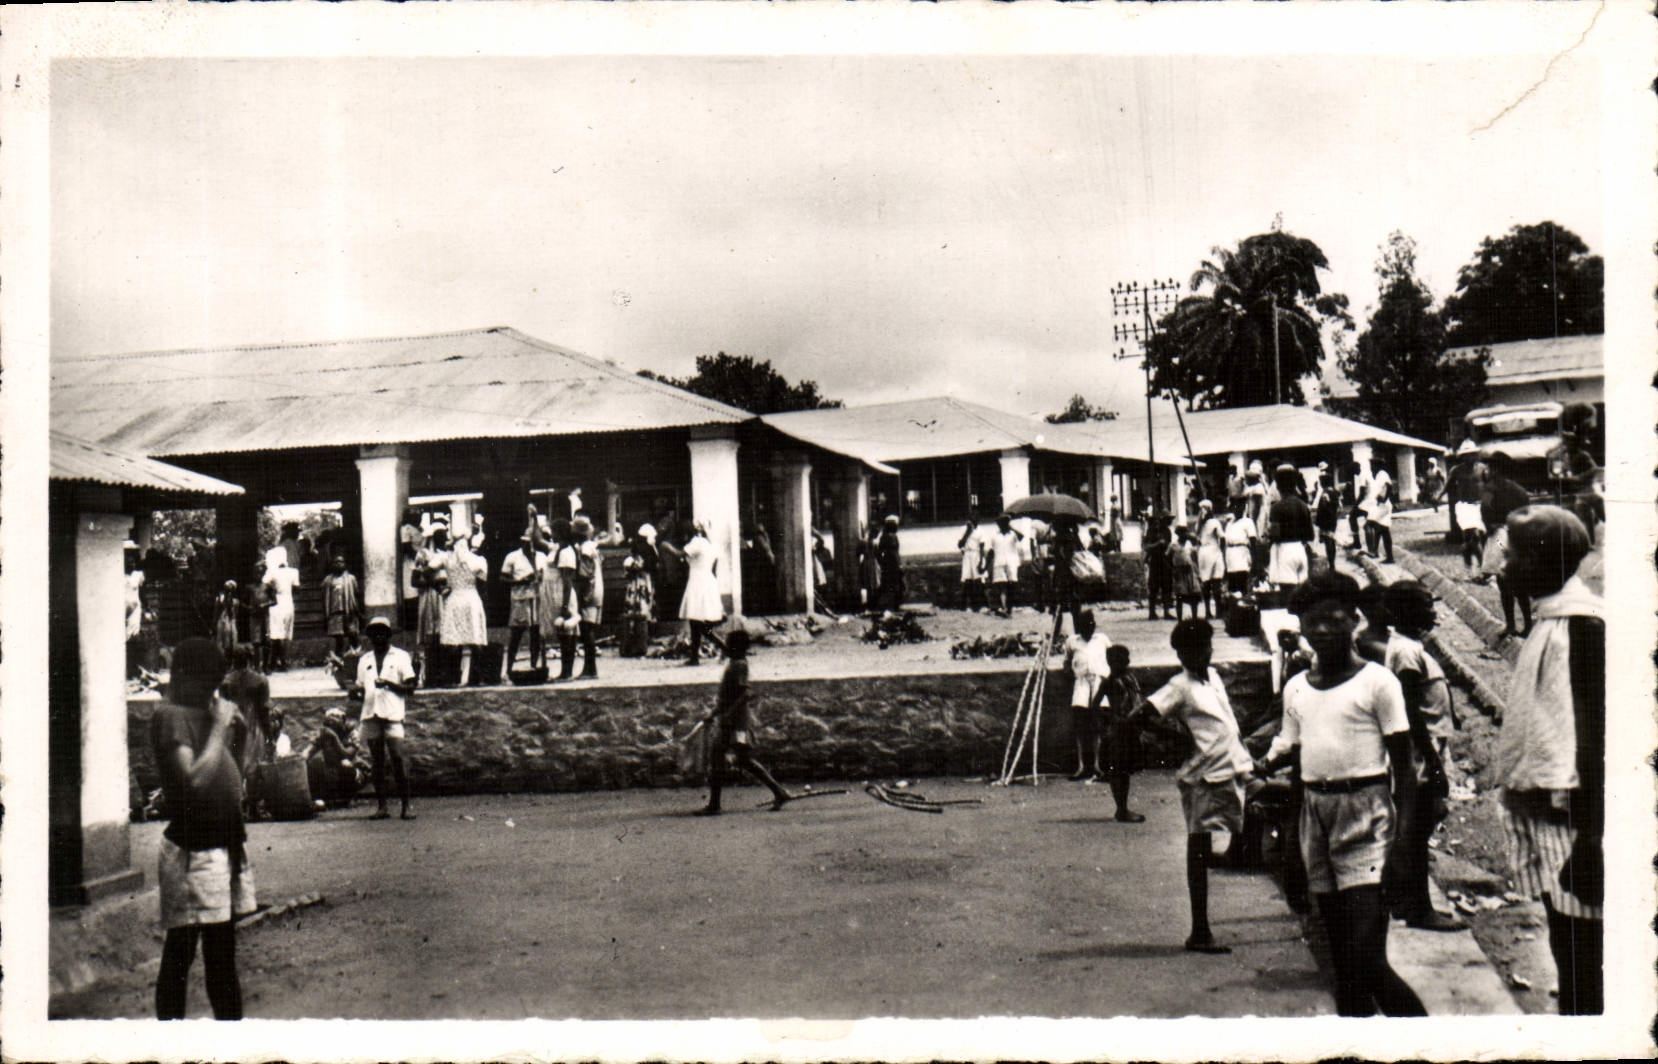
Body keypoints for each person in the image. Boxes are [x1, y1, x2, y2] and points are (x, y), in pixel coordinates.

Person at [1254, 571, 1427, 1017]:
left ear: (1354, 619)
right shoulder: (1296, 688)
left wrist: (1404, 848)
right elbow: (1295, 760)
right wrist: (1293, 843)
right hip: (1316, 816)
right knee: (1342, 970)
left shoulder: (1377, 682)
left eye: (1334, 620)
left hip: (1366, 815)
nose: (1323, 631)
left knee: (1370, 962)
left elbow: (1405, 772)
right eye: (1312, 623)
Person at [1492, 506, 1603, 1014]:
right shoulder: (1551, 616)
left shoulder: (1582, 629)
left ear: (1541, 561)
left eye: (1511, 556)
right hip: (1556, 816)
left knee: (1585, 954)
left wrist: (1593, 842)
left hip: (1580, 825)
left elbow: (1601, 744)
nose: (1501, 566)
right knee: (1567, 944)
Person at [1129, 619, 1252, 952]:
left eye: (1207, 647)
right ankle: (1200, 931)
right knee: (1198, 847)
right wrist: (1176, 739)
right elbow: (1138, 719)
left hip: (1233, 767)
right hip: (1203, 776)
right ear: (1181, 654)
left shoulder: (1212, 677)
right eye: (1194, 649)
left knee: (1252, 815)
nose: (1203, 653)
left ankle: (1236, 855)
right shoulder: (1179, 685)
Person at [150, 638, 254, 1020]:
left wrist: (235, 734)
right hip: (194, 851)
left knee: (222, 955)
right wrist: (219, 729)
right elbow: (194, 781)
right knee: (184, 952)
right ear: (182, 677)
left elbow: (230, 773)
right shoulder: (172, 716)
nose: (212, 690)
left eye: (217, 681)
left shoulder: (205, 714)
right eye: (206, 680)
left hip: (223, 844)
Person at [1378, 581, 1462, 931]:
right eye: (1426, 605)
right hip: (1421, 757)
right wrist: (1434, 762)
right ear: (1406, 612)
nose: (1432, 612)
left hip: (1428, 753)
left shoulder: (1409, 647)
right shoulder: (1407, 652)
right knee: (1415, 835)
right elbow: (1410, 711)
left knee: (1420, 827)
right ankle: (1418, 907)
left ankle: (1405, 898)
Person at [693, 629, 793, 815]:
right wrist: (714, 713)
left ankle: (715, 804)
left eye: (729, 644)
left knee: (722, 757)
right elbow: (727, 697)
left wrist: (727, 714)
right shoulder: (736, 662)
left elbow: (744, 693)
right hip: (732, 719)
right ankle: (778, 791)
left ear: (735, 647)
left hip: (735, 721)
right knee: (742, 759)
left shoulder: (739, 665)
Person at [350, 616, 418, 820]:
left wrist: (389, 684)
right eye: (374, 633)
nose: (378, 637)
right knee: (377, 761)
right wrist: (355, 693)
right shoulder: (365, 660)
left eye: (382, 633)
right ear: (369, 637)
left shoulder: (401, 656)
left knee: (397, 758)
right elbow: (361, 688)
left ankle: (406, 806)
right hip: (371, 714)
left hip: (393, 713)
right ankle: (382, 806)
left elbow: (411, 687)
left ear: (389, 635)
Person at [1089, 643, 1145, 822]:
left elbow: (1137, 702)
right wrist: (1105, 722)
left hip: (1131, 727)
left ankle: (1122, 808)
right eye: (1112, 661)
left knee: (1124, 769)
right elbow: (1094, 706)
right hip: (1119, 729)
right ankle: (1121, 809)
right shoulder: (1109, 682)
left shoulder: (1130, 678)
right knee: (1119, 769)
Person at [1480, 453, 1534, 636]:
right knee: (1520, 584)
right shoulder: (1519, 490)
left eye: (1491, 467)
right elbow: (1528, 513)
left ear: (1496, 469)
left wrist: (1489, 526)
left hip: (1500, 535)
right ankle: (1528, 624)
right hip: (1518, 534)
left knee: (1503, 583)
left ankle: (1510, 625)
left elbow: (1486, 508)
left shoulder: (1491, 488)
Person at [1547, 401, 1603, 544]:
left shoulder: (1580, 445)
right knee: (1584, 513)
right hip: (1577, 486)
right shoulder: (1566, 446)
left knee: (1593, 509)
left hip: (1586, 486)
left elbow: (1593, 468)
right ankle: (1588, 538)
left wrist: (1578, 477)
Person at [1064, 609, 1111, 781]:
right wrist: (1071, 672)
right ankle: (1082, 765)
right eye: (1084, 627)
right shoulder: (1072, 641)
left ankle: (1098, 765)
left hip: (1100, 682)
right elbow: (1067, 661)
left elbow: (1112, 658)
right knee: (1080, 724)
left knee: (1098, 724)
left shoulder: (1102, 640)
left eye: (1091, 626)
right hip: (1082, 682)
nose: (1088, 630)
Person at [440, 532, 489, 687]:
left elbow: (428, 570)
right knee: (475, 636)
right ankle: (476, 677)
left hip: (455, 598)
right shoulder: (477, 560)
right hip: (471, 597)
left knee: (455, 637)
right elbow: (483, 583)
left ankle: (454, 677)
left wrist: (443, 588)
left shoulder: (447, 559)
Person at [674, 521, 725, 666]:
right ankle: (695, 656)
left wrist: (665, 546)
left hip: (698, 582)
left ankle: (724, 647)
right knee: (695, 621)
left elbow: (679, 554)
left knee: (697, 622)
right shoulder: (710, 544)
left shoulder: (696, 543)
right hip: (706, 580)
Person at [1266, 464, 1315, 591]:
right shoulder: (1303, 506)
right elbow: (1310, 535)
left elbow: (1275, 535)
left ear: (1278, 486)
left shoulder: (1276, 507)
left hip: (1284, 552)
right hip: (1300, 549)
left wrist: (1268, 536)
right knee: (1302, 593)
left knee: (1287, 594)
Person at [306, 707, 364, 809]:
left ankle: (349, 797)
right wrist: (302, 758)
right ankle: (321, 799)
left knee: (345, 763)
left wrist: (334, 738)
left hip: (352, 770)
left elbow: (348, 755)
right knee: (313, 764)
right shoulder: (324, 733)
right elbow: (309, 750)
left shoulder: (352, 733)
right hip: (330, 768)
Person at [570, 515, 606, 679]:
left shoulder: (584, 549)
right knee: (588, 629)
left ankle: (590, 669)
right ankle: (590, 668)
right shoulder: (593, 546)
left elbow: (585, 574)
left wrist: (581, 595)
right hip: (597, 588)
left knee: (587, 630)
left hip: (589, 592)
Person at [501, 532, 543, 671]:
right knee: (516, 634)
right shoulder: (512, 557)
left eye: (530, 542)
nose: (528, 545)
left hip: (537, 599)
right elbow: (503, 578)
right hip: (520, 600)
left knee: (536, 634)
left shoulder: (541, 557)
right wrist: (519, 581)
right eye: (525, 542)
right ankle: (509, 668)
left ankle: (534, 666)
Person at [1447, 440, 1486, 572]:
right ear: (1462, 457)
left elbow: (1490, 484)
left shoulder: (1482, 468)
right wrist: (1438, 496)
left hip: (1480, 505)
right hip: (1465, 507)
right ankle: (1479, 567)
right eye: (1467, 455)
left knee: (1477, 538)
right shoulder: (1456, 470)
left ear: (1476, 455)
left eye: (1472, 454)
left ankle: (1474, 566)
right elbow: (1448, 485)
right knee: (1473, 537)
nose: (1470, 457)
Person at [261, 547, 300, 672]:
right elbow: (297, 589)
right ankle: (281, 662)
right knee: (283, 634)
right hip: (288, 602)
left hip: (276, 603)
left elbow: (264, 586)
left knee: (275, 634)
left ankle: (277, 662)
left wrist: (274, 591)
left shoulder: (272, 573)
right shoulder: (294, 572)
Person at [621, 533, 657, 658]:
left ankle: (629, 646)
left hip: (634, 588)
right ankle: (640, 646)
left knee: (631, 617)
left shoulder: (631, 560)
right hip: (644, 588)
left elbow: (627, 572)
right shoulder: (648, 557)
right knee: (642, 617)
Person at [320, 554, 362, 661]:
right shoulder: (328, 580)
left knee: (353, 635)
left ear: (345, 564)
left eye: (341, 562)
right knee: (339, 639)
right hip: (335, 612)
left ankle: (355, 658)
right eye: (336, 562)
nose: (339, 564)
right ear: (332, 565)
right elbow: (324, 596)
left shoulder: (351, 579)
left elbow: (357, 594)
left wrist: (357, 610)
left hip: (349, 612)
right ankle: (339, 660)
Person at [986, 514, 1023, 618]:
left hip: (1011, 562)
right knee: (1001, 586)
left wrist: (1012, 528)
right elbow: (991, 551)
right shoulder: (995, 536)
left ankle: (1009, 608)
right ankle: (1004, 607)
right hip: (999, 562)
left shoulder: (1013, 535)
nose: (1003, 525)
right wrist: (985, 564)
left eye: (1005, 522)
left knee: (1011, 585)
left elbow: (1021, 537)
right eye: (1001, 523)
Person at [1195, 501, 1226, 620]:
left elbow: (1198, 537)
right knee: (1216, 580)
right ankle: (1218, 610)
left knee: (1206, 581)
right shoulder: (1214, 522)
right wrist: (1222, 551)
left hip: (1203, 551)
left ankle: (1208, 611)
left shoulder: (1199, 524)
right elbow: (1222, 537)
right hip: (1213, 550)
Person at [1142, 513, 1173, 622]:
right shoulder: (1152, 532)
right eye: (1168, 519)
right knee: (1154, 588)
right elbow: (1146, 546)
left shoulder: (1167, 532)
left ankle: (1166, 611)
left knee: (1166, 587)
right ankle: (1152, 612)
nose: (1169, 522)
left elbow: (1169, 545)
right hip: (1155, 560)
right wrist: (1157, 543)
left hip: (1165, 561)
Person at [1168, 525, 1202, 622]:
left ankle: (1194, 619)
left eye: (1186, 533)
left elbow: (1194, 558)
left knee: (1194, 595)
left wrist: (1197, 572)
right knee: (1180, 596)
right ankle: (1180, 620)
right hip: (1179, 572)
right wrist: (1173, 569)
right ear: (1178, 534)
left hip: (1190, 572)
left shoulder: (1189, 545)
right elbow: (1167, 558)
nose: (1185, 535)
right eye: (1182, 533)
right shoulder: (1173, 545)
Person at [1222, 505, 1256, 597]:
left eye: (1239, 507)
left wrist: (1254, 558)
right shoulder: (1230, 523)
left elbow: (1253, 540)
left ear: (1243, 508)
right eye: (1235, 507)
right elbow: (1225, 541)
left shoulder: (1248, 522)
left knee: (1241, 580)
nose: (1237, 510)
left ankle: (1244, 605)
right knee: (1232, 585)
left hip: (1241, 552)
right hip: (1230, 554)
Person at [957, 513, 987, 612]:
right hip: (967, 555)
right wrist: (967, 532)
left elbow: (982, 546)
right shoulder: (963, 529)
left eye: (975, 518)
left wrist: (982, 560)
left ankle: (978, 605)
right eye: (971, 518)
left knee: (978, 579)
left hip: (976, 554)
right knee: (966, 579)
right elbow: (960, 544)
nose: (973, 520)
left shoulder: (981, 530)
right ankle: (965, 605)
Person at [876, 515, 904, 612]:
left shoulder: (887, 537)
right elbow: (881, 551)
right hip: (891, 563)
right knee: (892, 584)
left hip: (891, 562)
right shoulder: (888, 537)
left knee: (893, 583)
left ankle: (892, 604)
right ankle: (891, 604)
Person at [1313, 469, 1340, 571]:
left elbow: (1324, 508)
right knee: (1331, 540)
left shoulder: (1325, 493)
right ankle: (1332, 562)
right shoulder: (1334, 492)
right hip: (1333, 519)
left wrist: (1320, 521)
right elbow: (1339, 507)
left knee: (1328, 541)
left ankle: (1331, 563)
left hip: (1326, 520)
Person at [1368, 474, 1395, 564]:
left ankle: (1389, 557)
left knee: (1383, 529)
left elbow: (1389, 487)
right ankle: (1375, 552)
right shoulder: (1378, 476)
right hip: (1381, 505)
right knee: (1378, 528)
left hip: (1384, 505)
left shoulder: (1382, 474)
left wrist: (1383, 499)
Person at [213, 580, 241, 659]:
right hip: (221, 620)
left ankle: (230, 661)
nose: (229, 591)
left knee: (231, 641)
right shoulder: (220, 599)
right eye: (227, 589)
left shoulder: (235, 601)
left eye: (231, 589)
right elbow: (216, 611)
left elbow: (235, 613)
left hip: (231, 621)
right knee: (220, 641)